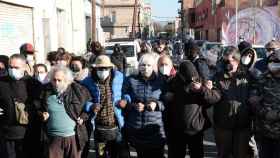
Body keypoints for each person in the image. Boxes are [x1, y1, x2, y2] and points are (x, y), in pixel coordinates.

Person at [166, 60, 221, 158]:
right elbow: (163, 98)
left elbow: (215, 97)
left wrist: (201, 90)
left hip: (195, 129)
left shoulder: (200, 81)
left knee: (197, 154)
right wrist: (166, 97)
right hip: (177, 129)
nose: (191, 80)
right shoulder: (173, 82)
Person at [81, 55, 129, 158]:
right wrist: (91, 106)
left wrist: (125, 100)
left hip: (117, 125)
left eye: (105, 68)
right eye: (100, 68)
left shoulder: (120, 77)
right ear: (95, 68)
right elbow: (82, 100)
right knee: (101, 154)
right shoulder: (87, 81)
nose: (103, 71)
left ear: (110, 68)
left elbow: (129, 91)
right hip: (99, 127)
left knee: (119, 153)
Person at [39, 65, 91, 158]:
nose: (56, 83)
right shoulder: (44, 91)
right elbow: (37, 107)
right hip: (53, 139)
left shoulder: (79, 91)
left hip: (74, 138)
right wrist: (41, 114)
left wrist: (83, 117)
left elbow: (88, 108)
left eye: (59, 80)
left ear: (67, 80)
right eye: (54, 80)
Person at [120, 53, 166, 158]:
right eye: (143, 65)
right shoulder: (131, 80)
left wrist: (157, 105)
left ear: (153, 66)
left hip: (156, 130)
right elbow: (123, 100)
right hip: (137, 128)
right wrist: (133, 105)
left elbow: (167, 102)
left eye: (149, 65)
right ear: (139, 66)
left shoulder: (161, 81)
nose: (145, 68)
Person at [0, 54, 42, 158]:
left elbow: (40, 105)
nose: (12, 70)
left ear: (24, 67)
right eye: (10, 67)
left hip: (29, 133)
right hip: (7, 133)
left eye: (16, 67)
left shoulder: (34, 84)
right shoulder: (1, 82)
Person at [214, 46, 252, 158]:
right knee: (223, 154)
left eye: (228, 60)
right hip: (223, 125)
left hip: (242, 126)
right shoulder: (218, 76)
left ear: (236, 60)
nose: (226, 63)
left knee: (241, 155)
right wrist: (206, 89)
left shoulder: (248, 76)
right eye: (224, 60)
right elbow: (213, 96)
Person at [249, 50, 280, 158]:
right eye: (271, 61)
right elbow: (253, 100)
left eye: (276, 61)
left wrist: (276, 115)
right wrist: (264, 113)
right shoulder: (262, 78)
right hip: (264, 132)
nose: (273, 63)